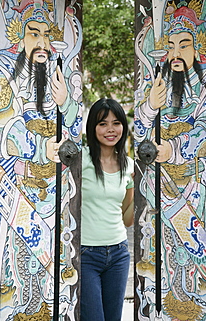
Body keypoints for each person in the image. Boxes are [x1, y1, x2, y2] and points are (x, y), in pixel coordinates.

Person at [135, 3, 206, 319]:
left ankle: (201, 301)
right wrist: (150, 107)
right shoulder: (157, 86)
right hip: (162, 186)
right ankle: (170, 304)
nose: (177, 53)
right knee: (166, 250)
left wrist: (176, 148)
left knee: (192, 251)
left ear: (196, 48)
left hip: (196, 184)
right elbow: (140, 137)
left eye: (185, 44)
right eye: (171, 46)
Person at [0, 0, 82, 319]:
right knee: (17, 264)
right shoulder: (3, 73)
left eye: (47, 35)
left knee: (48, 268)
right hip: (14, 188)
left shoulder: (57, 78)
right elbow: (2, 130)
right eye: (34, 33)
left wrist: (68, 106)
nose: (43, 43)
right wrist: (36, 148)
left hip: (53, 193)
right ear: (19, 36)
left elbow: (74, 140)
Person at [80, 98, 134, 321]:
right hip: (85, 255)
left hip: (119, 254)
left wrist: (140, 190)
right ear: (93, 127)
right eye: (102, 123)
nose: (110, 129)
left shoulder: (129, 165)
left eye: (116, 123)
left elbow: (128, 219)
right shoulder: (80, 159)